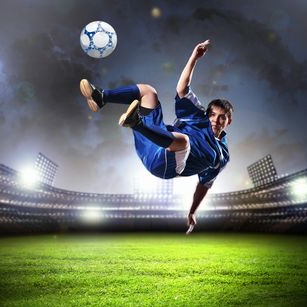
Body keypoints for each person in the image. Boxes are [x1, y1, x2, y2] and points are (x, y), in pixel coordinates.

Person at [79, 40, 233, 233]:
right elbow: (182, 89)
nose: (215, 120)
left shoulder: (221, 156)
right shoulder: (197, 116)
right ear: (207, 114)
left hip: (165, 165)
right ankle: (101, 97)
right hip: (153, 142)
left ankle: (136, 123)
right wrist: (194, 57)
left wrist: (192, 211)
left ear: (228, 121)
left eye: (222, 118)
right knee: (148, 92)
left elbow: (204, 184)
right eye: (212, 115)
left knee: (184, 141)